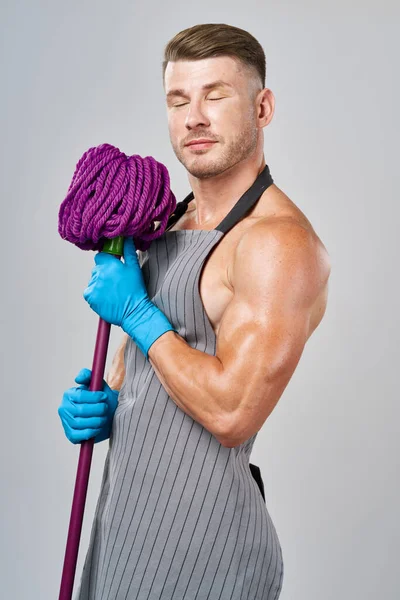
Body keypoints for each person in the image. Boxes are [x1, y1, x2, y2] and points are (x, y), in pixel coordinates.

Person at [59, 23, 331, 600]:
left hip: (208, 561)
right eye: (179, 100)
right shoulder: (162, 225)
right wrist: (109, 404)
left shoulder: (277, 244)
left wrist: (134, 310)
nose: (194, 117)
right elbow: (146, 373)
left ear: (263, 107)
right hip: (122, 541)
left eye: (215, 95)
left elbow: (234, 412)